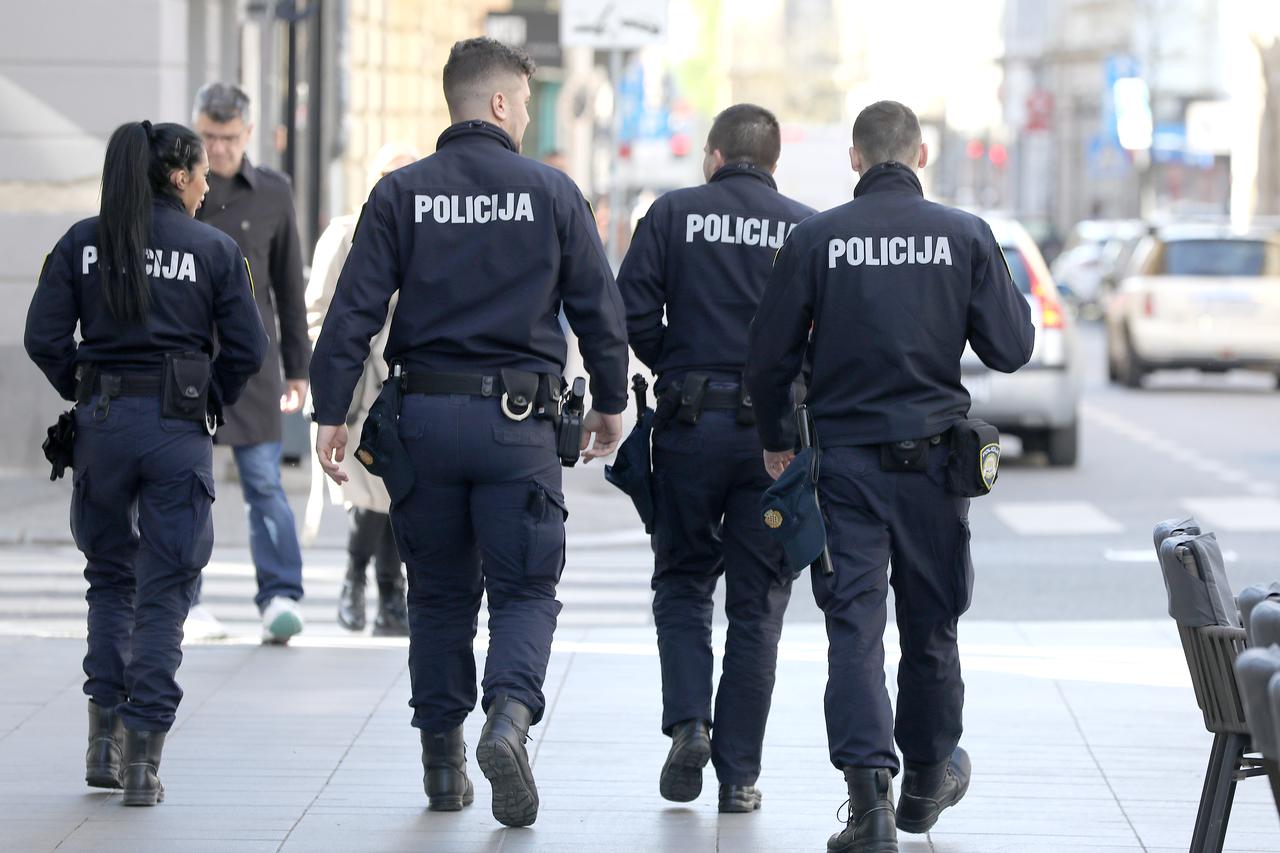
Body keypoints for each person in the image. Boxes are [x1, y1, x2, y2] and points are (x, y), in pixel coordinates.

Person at [309, 37, 628, 827]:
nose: (525, 115)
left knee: (439, 595)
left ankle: (443, 766)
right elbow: (599, 309)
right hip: (518, 426)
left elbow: (352, 311)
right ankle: (508, 718)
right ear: (499, 102)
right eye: (523, 101)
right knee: (525, 588)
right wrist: (610, 401)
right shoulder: (553, 192)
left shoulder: (399, 194)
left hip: (422, 422)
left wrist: (330, 411)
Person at [744, 101, 1034, 852]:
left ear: (854, 157)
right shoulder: (964, 235)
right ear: (921, 155)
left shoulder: (816, 239)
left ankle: (869, 801)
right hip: (936, 467)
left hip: (843, 468)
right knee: (931, 624)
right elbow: (1010, 348)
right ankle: (929, 774)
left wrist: (777, 439)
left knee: (855, 628)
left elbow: (768, 358)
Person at [24, 120, 267, 806]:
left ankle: (102, 742)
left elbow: (42, 336)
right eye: (202, 174)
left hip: (102, 424)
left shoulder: (81, 242)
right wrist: (209, 400)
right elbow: (248, 348)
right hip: (175, 426)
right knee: (165, 588)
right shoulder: (214, 249)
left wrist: (85, 386)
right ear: (179, 176)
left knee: (109, 579)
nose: (208, 185)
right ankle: (141, 760)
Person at [615, 103, 815, 813]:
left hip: (690, 425)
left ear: (715, 156)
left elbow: (631, 311)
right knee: (758, 605)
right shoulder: (804, 227)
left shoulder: (673, 214)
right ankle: (738, 776)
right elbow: (824, 333)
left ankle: (689, 724)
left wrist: (678, 364)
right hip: (774, 440)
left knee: (682, 580)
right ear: (773, 161)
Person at [186, 82, 311, 644]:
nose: (218, 149)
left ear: (249, 133)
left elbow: (288, 287)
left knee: (264, 482)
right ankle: (186, 601)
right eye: (208, 137)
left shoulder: (274, 192)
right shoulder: (177, 187)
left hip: (253, 365)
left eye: (229, 138)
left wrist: (299, 368)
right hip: (189, 362)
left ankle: (280, 596)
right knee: (187, 484)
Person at [304, 143, 419, 636]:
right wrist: (335, 372)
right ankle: (359, 582)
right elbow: (317, 311)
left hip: (405, 388)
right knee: (368, 493)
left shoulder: (425, 235)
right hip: (356, 391)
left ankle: (389, 596)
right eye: (387, 176)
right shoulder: (345, 233)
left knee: (395, 493)